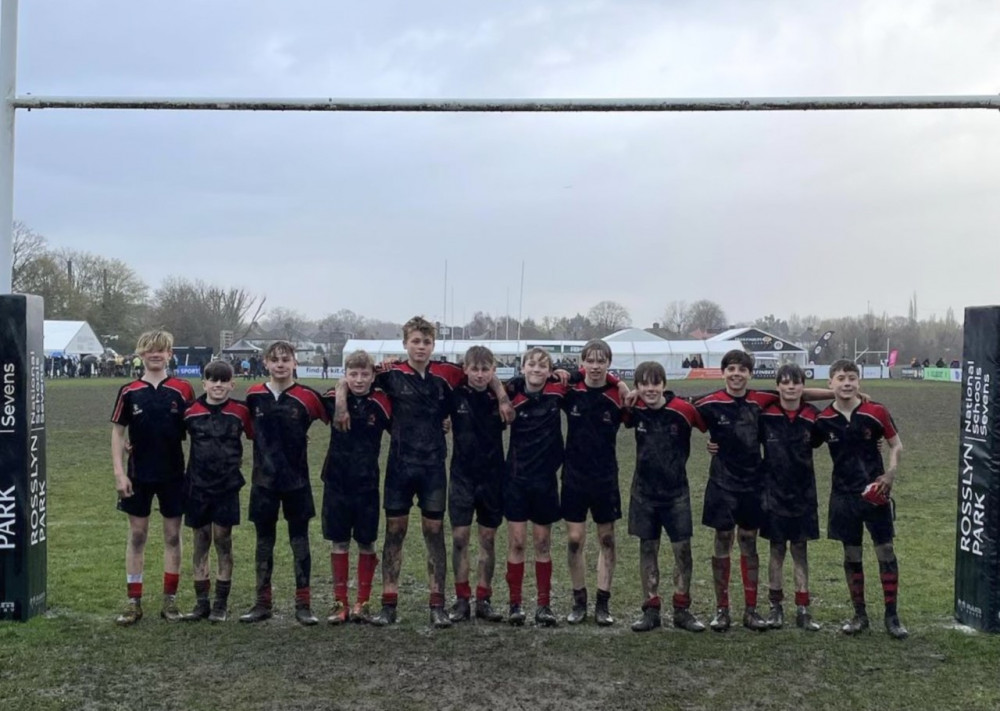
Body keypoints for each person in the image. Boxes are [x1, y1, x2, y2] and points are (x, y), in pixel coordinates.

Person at [333, 316, 513, 629]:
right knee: (395, 533)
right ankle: (389, 604)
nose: (420, 347)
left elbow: (487, 374)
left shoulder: (447, 373)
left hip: (433, 467)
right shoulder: (390, 374)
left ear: (434, 345)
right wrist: (339, 403)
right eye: (415, 341)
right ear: (405, 343)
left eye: (426, 342)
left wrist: (502, 396)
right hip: (400, 466)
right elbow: (350, 379)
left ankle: (437, 604)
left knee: (433, 533)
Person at [815, 359, 906, 639]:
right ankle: (859, 615)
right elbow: (804, 442)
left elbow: (896, 444)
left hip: (875, 493)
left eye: (852, 378)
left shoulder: (876, 411)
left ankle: (892, 616)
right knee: (851, 554)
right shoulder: (823, 420)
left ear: (859, 382)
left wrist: (890, 474)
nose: (847, 383)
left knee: (885, 552)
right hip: (843, 496)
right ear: (830, 383)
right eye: (840, 378)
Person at [110, 329, 196, 625]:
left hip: (173, 474)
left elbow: (196, 427)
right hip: (139, 475)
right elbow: (117, 432)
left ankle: (169, 600)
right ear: (141, 355)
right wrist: (119, 473)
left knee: (173, 535)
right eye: (149, 350)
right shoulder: (129, 390)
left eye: (161, 350)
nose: (155, 354)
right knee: (137, 535)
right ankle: (133, 601)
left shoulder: (183, 389)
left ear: (170, 354)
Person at [241, 341, 329, 626]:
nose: (280, 364)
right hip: (263, 481)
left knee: (299, 541)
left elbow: (338, 416)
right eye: (274, 359)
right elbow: (245, 429)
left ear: (295, 363)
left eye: (285, 359)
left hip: (297, 481)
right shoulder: (254, 395)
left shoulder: (307, 397)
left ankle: (303, 604)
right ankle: (262, 603)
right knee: (264, 542)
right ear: (265, 363)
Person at [625, 362, 708, 633]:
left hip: (677, 495)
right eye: (644, 384)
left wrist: (716, 444)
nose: (650, 389)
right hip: (644, 494)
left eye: (655, 383)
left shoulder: (684, 411)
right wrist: (624, 391)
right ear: (637, 387)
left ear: (663, 384)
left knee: (682, 551)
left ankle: (682, 608)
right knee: (647, 549)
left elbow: (712, 424)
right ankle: (651, 608)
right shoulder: (633, 409)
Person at [320, 350, 391, 625]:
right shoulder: (330, 398)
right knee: (339, 541)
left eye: (364, 374)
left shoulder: (382, 402)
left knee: (367, 541)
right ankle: (341, 602)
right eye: (353, 374)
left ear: (373, 376)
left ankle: (363, 601)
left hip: (367, 483)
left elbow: (401, 424)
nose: (359, 380)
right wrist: (340, 396)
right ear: (345, 374)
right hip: (336, 481)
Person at [180, 360, 253, 623]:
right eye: (213, 380)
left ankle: (221, 603)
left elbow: (262, 436)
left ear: (232, 384)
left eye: (224, 381)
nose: (218, 385)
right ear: (204, 384)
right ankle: (201, 602)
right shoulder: (190, 412)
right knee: (200, 540)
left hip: (227, 486)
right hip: (197, 486)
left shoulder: (241, 411)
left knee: (223, 539)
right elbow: (168, 438)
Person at [562, 339, 626, 626]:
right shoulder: (571, 391)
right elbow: (545, 379)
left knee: (607, 539)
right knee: (575, 541)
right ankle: (579, 600)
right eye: (592, 360)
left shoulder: (617, 396)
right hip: (574, 476)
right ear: (583, 362)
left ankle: (603, 602)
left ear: (609, 364)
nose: (597, 366)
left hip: (605, 478)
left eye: (602, 361)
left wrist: (620, 383)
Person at [503, 347, 565, 626]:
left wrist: (570, 372)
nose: (537, 369)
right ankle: (515, 604)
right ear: (523, 367)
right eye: (532, 364)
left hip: (545, 481)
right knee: (517, 543)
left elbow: (591, 377)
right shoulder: (511, 393)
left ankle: (543, 605)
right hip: (516, 479)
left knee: (542, 543)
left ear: (550, 370)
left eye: (543, 365)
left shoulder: (557, 391)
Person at [758, 364, 824, 631]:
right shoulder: (766, 415)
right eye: (784, 383)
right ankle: (775, 607)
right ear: (777, 386)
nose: (790, 387)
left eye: (796, 383)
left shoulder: (813, 417)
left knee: (800, 549)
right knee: (776, 550)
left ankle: (803, 608)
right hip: (772, 493)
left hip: (804, 494)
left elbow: (837, 436)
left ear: (802, 386)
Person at [446, 346, 507, 623]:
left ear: (493, 370)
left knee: (488, 539)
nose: (480, 375)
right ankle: (461, 599)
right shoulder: (454, 394)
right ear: (465, 369)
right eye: (475, 369)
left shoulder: (503, 396)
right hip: (461, 476)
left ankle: (484, 598)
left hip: (493, 477)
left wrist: (503, 395)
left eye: (486, 369)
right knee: (460, 538)